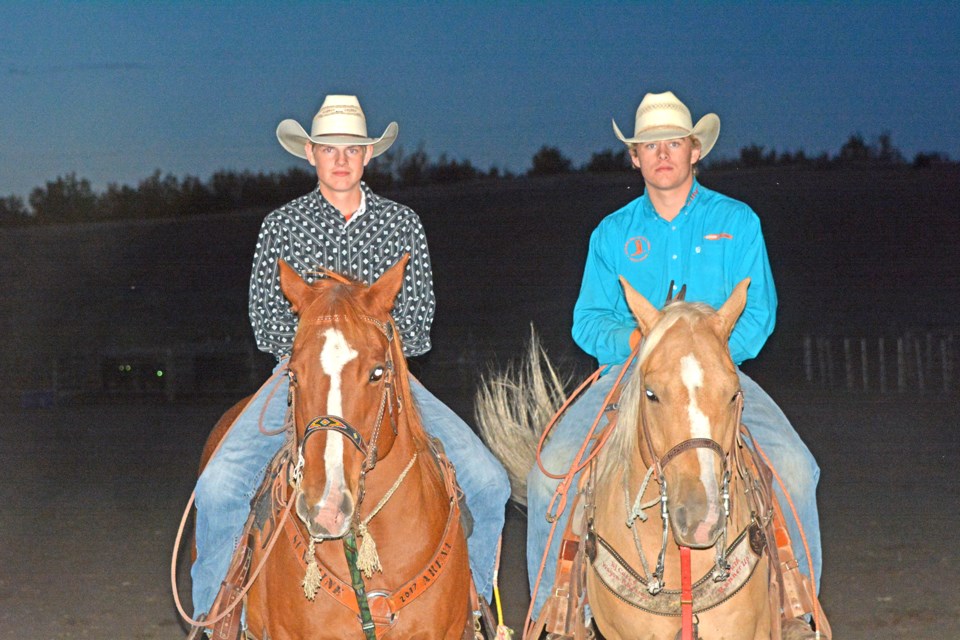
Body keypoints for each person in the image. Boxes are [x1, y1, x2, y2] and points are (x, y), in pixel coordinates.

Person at [190, 94, 510, 627]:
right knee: (220, 485)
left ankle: (472, 608)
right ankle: (214, 617)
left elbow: (421, 318)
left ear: (368, 156)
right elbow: (266, 318)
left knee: (489, 481)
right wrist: (320, 334)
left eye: (353, 149)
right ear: (311, 154)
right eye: (330, 149)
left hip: (383, 376)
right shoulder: (282, 225)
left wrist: (366, 337)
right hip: (303, 377)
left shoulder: (401, 224)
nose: (341, 159)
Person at [526, 91, 822, 619]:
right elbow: (587, 319)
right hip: (628, 378)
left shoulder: (739, 221)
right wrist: (639, 344)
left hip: (714, 380)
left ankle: (796, 609)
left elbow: (757, 314)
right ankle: (557, 614)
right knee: (549, 473)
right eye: (650, 146)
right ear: (634, 158)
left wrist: (708, 354)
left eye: (674, 143)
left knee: (797, 469)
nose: (663, 154)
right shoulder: (612, 233)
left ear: (694, 151)